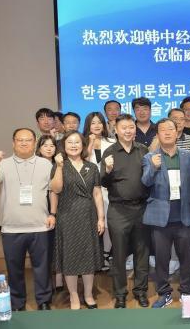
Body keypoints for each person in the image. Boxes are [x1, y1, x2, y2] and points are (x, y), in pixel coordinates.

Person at [0, 128, 55, 311]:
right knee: (14, 268)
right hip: (11, 228)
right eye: (20, 140)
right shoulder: (3, 164)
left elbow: (53, 191)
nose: (24, 143)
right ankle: (17, 303)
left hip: (40, 226)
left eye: (28, 140)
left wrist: (52, 214)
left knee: (42, 267)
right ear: (13, 143)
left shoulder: (46, 164)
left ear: (35, 142)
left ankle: (44, 300)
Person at [141, 118, 190, 308]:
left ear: (177, 133)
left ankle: (187, 292)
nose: (167, 133)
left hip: (184, 216)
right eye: (163, 130)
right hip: (161, 219)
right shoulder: (150, 157)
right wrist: (154, 167)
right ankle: (164, 293)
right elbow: (145, 182)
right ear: (157, 134)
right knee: (161, 259)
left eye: (170, 129)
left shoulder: (188, 157)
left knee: (187, 258)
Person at [50, 131, 105, 310]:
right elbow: (56, 189)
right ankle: (73, 295)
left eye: (77, 142)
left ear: (83, 145)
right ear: (64, 146)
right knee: (70, 257)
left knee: (88, 256)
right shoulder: (59, 165)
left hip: (88, 216)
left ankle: (88, 294)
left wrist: (101, 218)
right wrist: (59, 167)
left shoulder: (92, 167)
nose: (73, 145)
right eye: (70, 142)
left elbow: (97, 193)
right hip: (67, 216)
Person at [100, 114, 150, 308]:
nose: (128, 131)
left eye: (131, 127)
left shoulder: (143, 150)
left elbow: (149, 178)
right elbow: (103, 182)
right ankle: (120, 294)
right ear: (116, 130)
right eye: (124, 128)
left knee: (142, 253)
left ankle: (141, 291)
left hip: (142, 208)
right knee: (119, 254)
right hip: (118, 210)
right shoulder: (110, 152)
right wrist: (108, 170)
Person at [83, 112, 116, 271]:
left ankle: (105, 254)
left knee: (107, 223)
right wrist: (90, 143)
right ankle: (92, 256)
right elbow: (83, 161)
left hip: (107, 188)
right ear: (88, 125)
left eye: (99, 122)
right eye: (93, 123)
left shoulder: (111, 142)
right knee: (91, 223)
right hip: (88, 189)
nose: (96, 126)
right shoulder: (80, 142)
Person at [36, 135, 63, 291]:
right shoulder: (34, 165)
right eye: (45, 145)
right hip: (41, 207)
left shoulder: (59, 164)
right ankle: (47, 281)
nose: (48, 148)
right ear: (39, 148)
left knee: (57, 244)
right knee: (44, 246)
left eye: (52, 145)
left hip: (59, 207)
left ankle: (59, 279)